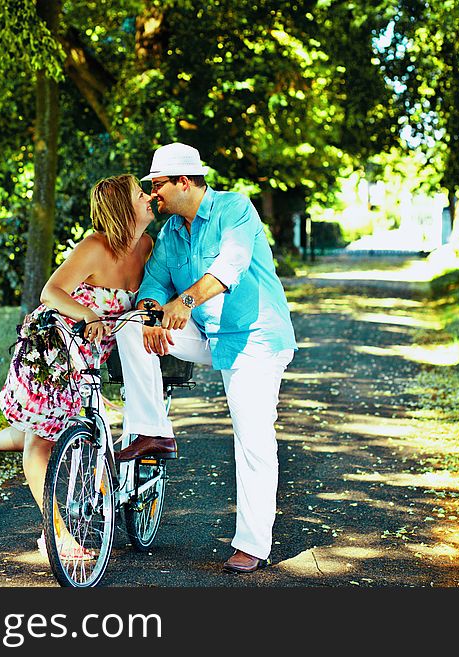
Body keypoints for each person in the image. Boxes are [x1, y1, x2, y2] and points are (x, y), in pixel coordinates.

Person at [113, 142, 297, 574]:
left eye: (157, 185)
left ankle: (252, 544)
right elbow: (153, 285)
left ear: (183, 181)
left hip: (254, 339)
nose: (153, 194)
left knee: (251, 437)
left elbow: (231, 265)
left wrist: (185, 301)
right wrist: (155, 315)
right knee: (130, 326)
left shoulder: (235, 209)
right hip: (207, 334)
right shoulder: (171, 233)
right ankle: (153, 430)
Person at [0, 174, 154, 559]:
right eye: (139, 194)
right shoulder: (94, 247)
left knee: (50, 429)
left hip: (91, 349)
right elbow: (50, 292)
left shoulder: (145, 246)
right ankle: (57, 536)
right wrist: (89, 313)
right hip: (52, 346)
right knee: (41, 440)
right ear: (122, 208)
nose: (149, 198)